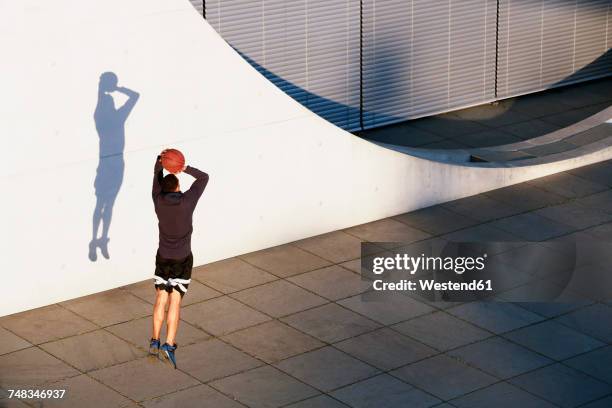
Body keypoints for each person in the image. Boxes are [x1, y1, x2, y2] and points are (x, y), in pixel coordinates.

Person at [149, 150, 209, 368]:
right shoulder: (187, 202)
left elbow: (156, 180)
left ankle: (154, 340)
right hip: (182, 259)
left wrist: (160, 164)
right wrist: (183, 167)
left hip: (162, 257)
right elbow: (204, 178)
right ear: (177, 187)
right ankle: (169, 344)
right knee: (175, 301)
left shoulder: (157, 200)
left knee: (160, 299)